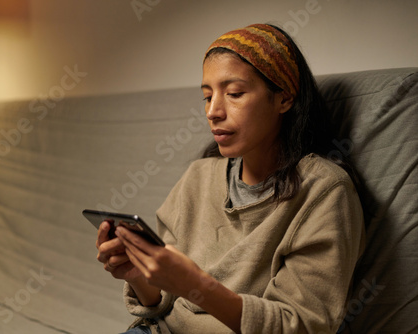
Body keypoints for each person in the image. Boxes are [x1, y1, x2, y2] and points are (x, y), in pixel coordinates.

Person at [96, 23, 365, 334]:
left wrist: (195, 284)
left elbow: (301, 326)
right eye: (207, 96)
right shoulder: (200, 176)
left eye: (234, 93)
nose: (213, 111)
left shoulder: (324, 192)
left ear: (284, 98)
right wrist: (137, 274)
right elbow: (164, 301)